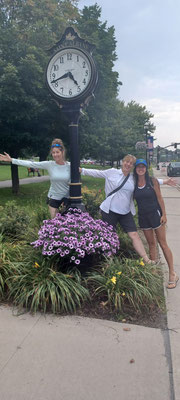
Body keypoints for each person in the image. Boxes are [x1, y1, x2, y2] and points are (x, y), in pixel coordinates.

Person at [133, 158, 178, 289]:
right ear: (135, 169)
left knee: (163, 244)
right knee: (151, 245)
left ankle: (172, 274)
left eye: (143, 167)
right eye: (138, 167)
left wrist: (164, 214)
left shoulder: (152, 182)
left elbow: (160, 198)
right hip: (143, 217)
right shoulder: (134, 182)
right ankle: (152, 273)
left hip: (155, 215)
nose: (140, 169)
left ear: (146, 168)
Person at [0, 139, 70, 219]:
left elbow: (84, 172)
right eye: (53, 152)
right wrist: (12, 160)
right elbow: (31, 164)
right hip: (53, 198)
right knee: (55, 224)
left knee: (67, 224)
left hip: (66, 199)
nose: (55, 155)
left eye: (57, 152)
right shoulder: (49, 164)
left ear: (62, 152)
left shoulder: (70, 166)